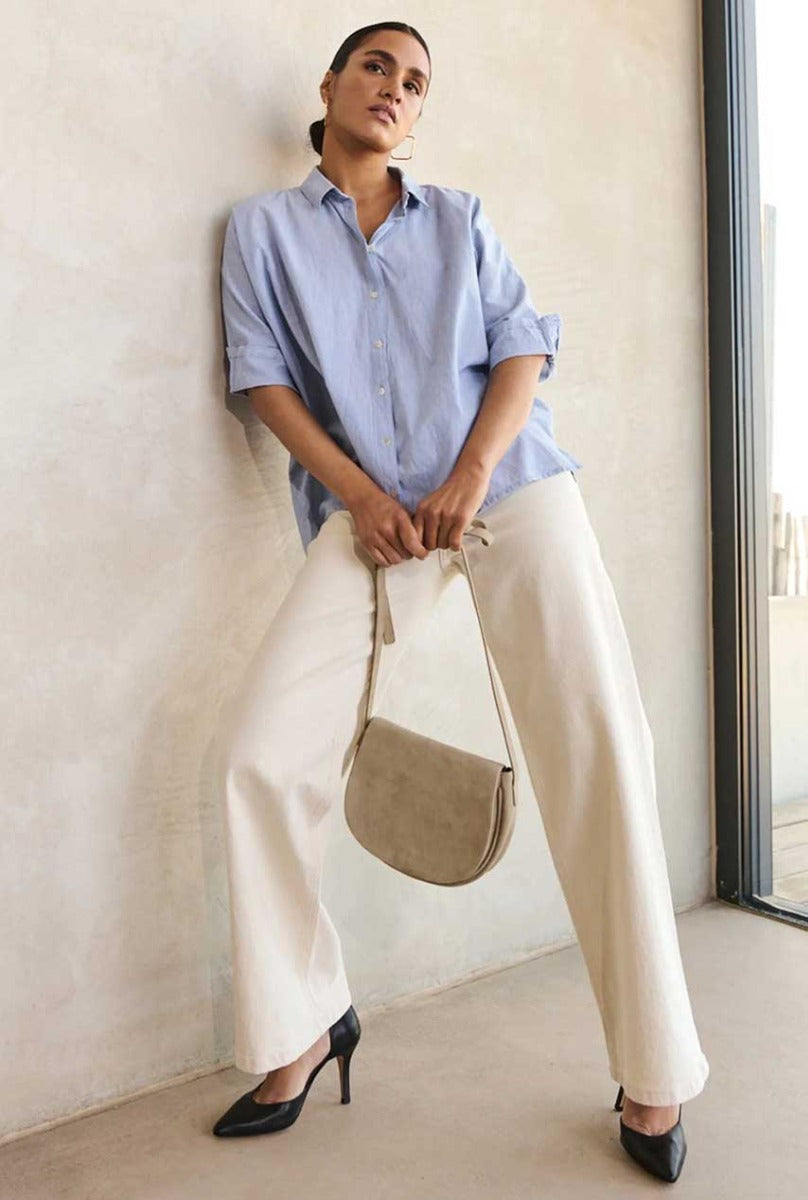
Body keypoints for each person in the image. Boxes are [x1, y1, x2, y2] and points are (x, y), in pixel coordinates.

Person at [212, 21, 709, 1183]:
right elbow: (264, 381)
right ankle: (304, 1025)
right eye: (376, 66)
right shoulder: (263, 231)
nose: (394, 88)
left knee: (599, 741)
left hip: (510, 486)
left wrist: (469, 477)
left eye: (415, 81)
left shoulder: (461, 219)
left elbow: (521, 350)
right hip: (373, 514)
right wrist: (360, 498)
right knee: (259, 755)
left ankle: (652, 1070)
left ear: (420, 116)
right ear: (331, 84)